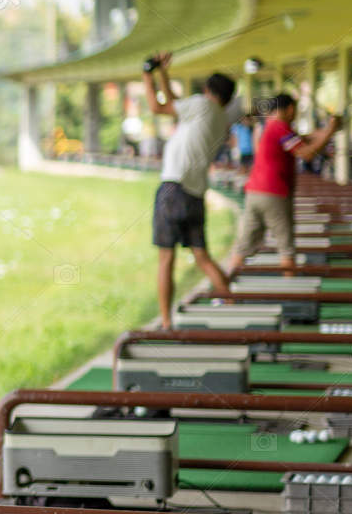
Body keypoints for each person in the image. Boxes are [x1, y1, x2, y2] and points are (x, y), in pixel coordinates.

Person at [142, 52, 240, 327]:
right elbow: (175, 102)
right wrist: (163, 72)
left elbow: (158, 107)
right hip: (196, 196)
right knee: (202, 257)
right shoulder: (220, 118)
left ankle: (166, 324)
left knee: (166, 259)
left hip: (173, 188)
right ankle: (233, 307)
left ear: (207, 90)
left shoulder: (200, 106)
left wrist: (147, 73)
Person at [227, 95, 340, 278]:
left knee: (243, 246)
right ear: (290, 109)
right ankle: (290, 288)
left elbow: (305, 138)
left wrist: (328, 130)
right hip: (273, 193)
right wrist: (330, 131)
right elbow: (306, 153)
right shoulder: (280, 127)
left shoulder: (270, 125)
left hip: (254, 192)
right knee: (286, 249)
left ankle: (226, 289)